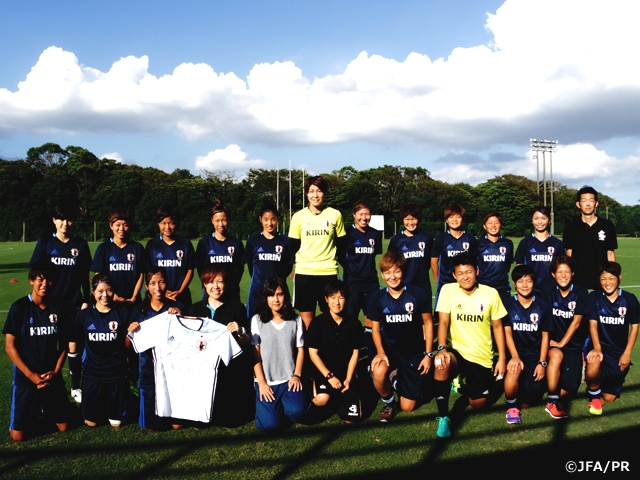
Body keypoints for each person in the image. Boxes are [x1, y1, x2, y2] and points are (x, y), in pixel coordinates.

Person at [433, 253, 507, 438]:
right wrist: (441, 349)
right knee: (441, 363)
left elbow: (498, 327)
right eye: (460, 273)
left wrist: (502, 358)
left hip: (481, 356)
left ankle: (462, 384)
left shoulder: (491, 293)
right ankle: (444, 416)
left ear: (477, 272)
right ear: (454, 275)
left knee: (478, 404)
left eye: (469, 272)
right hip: (456, 351)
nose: (465, 277)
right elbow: (443, 322)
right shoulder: (448, 290)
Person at [30, 204, 92, 404]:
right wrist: (38, 300)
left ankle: (75, 387)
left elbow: (85, 276)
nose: (65, 223)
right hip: (50, 305)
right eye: (61, 219)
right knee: (48, 348)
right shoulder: (45, 243)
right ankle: (46, 386)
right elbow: (35, 272)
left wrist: (86, 299)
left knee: (73, 346)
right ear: (54, 221)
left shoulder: (80, 244)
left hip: (73, 305)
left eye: (69, 219)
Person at [3, 262, 69, 442]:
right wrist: (31, 375)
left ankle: (43, 404)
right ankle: (36, 404)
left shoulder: (58, 308)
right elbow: (9, 346)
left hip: (50, 375)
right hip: (26, 377)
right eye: (40, 279)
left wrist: (56, 372)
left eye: (49, 280)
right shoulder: (19, 307)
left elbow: (64, 345)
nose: (45, 284)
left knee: (64, 428)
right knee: (17, 437)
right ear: (32, 280)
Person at [367, 251, 434, 423]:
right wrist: (380, 352)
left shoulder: (418, 294)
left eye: (396, 271)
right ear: (382, 275)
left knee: (408, 406)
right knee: (378, 371)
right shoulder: (377, 297)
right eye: (387, 272)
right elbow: (375, 329)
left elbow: (428, 323)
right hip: (389, 350)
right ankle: (389, 403)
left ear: (403, 271)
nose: (392, 277)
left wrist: (428, 354)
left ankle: (396, 378)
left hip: (413, 352)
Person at [187, 263, 253, 426]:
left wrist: (240, 331)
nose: (215, 286)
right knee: (200, 422)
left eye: (220, 281)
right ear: (204, 284)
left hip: (228, 369)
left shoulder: (236, 307)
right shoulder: (195, 310)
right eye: (210, 282)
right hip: (202, 370)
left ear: (226, 283)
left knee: (229, 420)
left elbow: (246, 342)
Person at [70, 274, 131, 428]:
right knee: (91, 423)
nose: (105, 295)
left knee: (116, 423)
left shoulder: (123, 314)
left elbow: (129, 346)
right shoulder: (83, 315)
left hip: (116, 374)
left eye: (109, 290)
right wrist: (75, 383)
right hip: (93, 374)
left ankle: (115, 401)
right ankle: (98, 403)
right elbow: (75, 347)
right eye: (100, 291)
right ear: (93, 292)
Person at [129, 267, 184, 431]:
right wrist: (130, 332)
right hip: (148, 370)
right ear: (147, 286)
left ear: (167, 283)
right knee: (152, 427)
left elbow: (187, 339)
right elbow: (128, 345)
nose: (158, 287)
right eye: (153, 283)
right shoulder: (139, 311)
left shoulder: (177, 307)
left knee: (177, 425)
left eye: (161, 282)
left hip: (172, 370)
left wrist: (181, 318)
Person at [288, 175, 346, 329]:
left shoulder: (335, 214)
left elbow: (341, 244)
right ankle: (309, 346)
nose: (315, 195)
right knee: (307, 323)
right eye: (311, 191)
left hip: (328, 272)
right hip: (305, 272)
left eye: (319, 191)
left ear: (324, 192)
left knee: (330, 319)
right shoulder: (298, 217)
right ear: (306, 194)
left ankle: (328, 346)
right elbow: (294, 246)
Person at [250, 277, 306, 433]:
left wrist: (297, 375)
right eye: (271, 295)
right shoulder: (257, 320)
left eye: (279, 294)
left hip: (289, 380)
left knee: (297, 411)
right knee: (270, 425)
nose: (276, 299)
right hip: (267, 381)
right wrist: (262, 383)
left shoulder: (296, 320)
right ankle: (266, 411)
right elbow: (255, 354)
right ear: (265, 298)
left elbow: (301, 350)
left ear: (285, 296)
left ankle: (281, 406)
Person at [585, 262, 639, 415]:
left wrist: (627, 353)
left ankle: (604, 374)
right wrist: (597, 347)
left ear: (619, 278)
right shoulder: (594, 297)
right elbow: (593, 325)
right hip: (599, 345)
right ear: (598, 280)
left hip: (617, 350)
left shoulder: (629, 299)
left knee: (609, 398)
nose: (607, 282)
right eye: (603, 279)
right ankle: (594, 397)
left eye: (611, 278)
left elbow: (635, 327)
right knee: (594, 360)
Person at [307, 279, 364, 423]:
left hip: (344, 376)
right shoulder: (317, 323)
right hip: (323, 374)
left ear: (346, 299)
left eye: (341, 297)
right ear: (326, 299)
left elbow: (355, 354)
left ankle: (338, 398)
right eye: (332, 297)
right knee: (321, 399)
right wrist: (329, 376)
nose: (337, 302)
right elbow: (313, 354)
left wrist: (349, 379)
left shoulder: (354, 324)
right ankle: (320, 394)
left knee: (352, 419)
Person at [502, 265, 551, 424]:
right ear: (514, 284)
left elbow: (545, 336)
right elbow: (507, 333)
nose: (524, 285)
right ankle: (511, 407)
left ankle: (526, 387)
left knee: (532, 397)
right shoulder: (508, 304)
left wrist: (542, 363)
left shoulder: (542, 305)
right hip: (516, 353)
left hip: (534, 355)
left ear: (534, 283)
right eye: (520, 281)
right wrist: (514, 357)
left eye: (528, 281)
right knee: (514, 370)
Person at [543, 256, 589, 419]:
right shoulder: (547, 291)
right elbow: (543, 319)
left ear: (573, 273)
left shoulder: (581, 292)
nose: (563, 275)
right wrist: (550, 342)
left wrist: (562, 343)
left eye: (567, 272)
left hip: (572, 345)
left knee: (571, 386)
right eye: (559, 272)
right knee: (556, 357)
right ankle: (552, 401)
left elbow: (576, 322)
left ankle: (551, 389)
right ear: (553, 274)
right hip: (553, 344)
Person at [341, 200, 382, 364]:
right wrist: (352, 271)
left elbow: (374, 256)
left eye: (367, 214)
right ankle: (349, 361)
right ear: (354, 215)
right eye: (360, 214)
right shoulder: (346, 234)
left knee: (371, 320)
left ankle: (372, 361)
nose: (364, 218)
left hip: (371, 283)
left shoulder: (375, 234)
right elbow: (341, 257)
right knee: (349, 321)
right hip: (352, 283)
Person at [243, 203, 294, 319]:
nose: (269, 223)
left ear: (277, 219)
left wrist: (277, 281)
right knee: (254, 322)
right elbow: (251, 266)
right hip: (258, 290)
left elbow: (288, 267)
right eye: (266, 219)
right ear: (260, 219)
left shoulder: (286, 241)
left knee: (282, 321)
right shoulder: (253, 241)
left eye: (273, 219)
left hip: (278, 291)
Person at [564, 186, 618, 290]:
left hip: (601, 282)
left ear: (596, 203)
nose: (588, 204)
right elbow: (569, 254)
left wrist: (612, 275)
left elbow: (610, 253)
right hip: (578, 282)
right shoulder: (570, 227)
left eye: (591, 200)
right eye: (584, 200)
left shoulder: (607, 225)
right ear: (578, 204)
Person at [91, 208, 145, 309]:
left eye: (125, 225)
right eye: (118, 225)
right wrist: (113, 295)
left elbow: (141, 274)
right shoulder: (103, 248)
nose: (121, 228)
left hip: (133, 302)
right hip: (110, 302)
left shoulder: (137, 248)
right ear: (111, 226)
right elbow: (99, 276)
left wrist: (134, 296)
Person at [145, 206, 196, 308]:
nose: (167, 227)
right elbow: (147, 273)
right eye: (163, 223)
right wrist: (159, 291)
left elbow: (190, 270)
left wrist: (180, 291)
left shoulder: (185, 244)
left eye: (171, 223)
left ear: (176, 223)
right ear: (158, 223)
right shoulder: (152, 245)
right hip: (158, 296)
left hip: (182, 296)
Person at [196, 200, 245, 301]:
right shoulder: (204, 243)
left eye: (224, 220)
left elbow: (240, 268)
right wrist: (208, 284)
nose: (221, 224)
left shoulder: (236, 243)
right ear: (212, 221)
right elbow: (200, 268)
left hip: (231, 291)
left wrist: (232, 284)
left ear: (229, 220)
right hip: (210, 291)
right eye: (217, 220)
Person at [431, 204, 477, 306]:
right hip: (445, 283)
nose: (454, 220)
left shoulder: (470, 238)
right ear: (446, 220)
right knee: (443, 313)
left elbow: (474, 262)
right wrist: (438, 281)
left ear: (462, 219)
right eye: (451, 217)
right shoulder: (441, 239)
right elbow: (434, 262)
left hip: (465, 283)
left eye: (458, 216)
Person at [514, 206, 565, 296]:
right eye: (536, 218)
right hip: (531, 290)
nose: (540, 222)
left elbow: (563, 266)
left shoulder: (557, 243)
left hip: (553, 290)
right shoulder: (525, 242)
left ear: (549, 220)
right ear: (532, 220)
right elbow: (519, 267)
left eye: (543, 218)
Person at [477, 212, 514, 305]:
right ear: (484, 226)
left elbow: (508, 265)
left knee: (505, 313)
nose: (493, 225)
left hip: (502, 287)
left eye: (496, 222)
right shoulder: (478, 243)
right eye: (490, 223)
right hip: (483, 286)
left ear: (501, 225)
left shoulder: (508, 243)